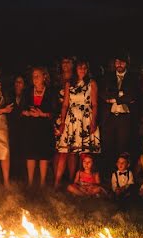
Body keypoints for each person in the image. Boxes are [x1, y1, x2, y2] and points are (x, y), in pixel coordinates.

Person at [55, 59, 101, 185]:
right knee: (65, 151)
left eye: (85, 68)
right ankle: (57, 183)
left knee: (84, 153)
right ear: (76, 69)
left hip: (85, 119)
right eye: (80, 68)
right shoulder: (69, 83)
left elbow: (95, 104)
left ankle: (85, 182)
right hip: (71, 119)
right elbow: (65, 104)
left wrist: (93, 122)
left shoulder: (91, 83)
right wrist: (63, 122)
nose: (82, 70)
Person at [101, 53, 139, 176]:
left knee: (123, 146)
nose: (119, 65)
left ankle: (123, 174)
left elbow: (132, 96)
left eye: (122, 62)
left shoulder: (133, 78)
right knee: (108, 146)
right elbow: (104, 94)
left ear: (126, 63)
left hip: (125, 117)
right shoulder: (108, 76)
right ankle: (109, 174)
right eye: (117, 62)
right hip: (110, 116)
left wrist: (115, 98)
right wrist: (122, 94)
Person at [21, 67, 57, 187]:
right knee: (30, 154)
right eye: (33, 76)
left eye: (38, 76)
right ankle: (30, 183)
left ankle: (42, 184)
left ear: (44, 77)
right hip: (30, 127)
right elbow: (21, 108)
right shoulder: (27, 92)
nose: (35, 78)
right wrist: (27, 112)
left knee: (43, 155)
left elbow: (54, 111)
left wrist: (42, 114)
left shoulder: (51, 92)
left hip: (44, 128)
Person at [53, 56, 78, 186]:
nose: (66, 64)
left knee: (72, 151)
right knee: (59, 150)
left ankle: (71, 180)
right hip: (59, 117)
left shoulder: (76, 80)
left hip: (74, 118)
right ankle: (57, 180)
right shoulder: (57, 81)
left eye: (68, 62)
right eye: (63, 61)